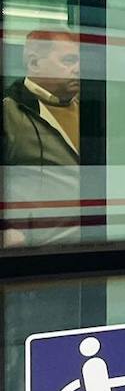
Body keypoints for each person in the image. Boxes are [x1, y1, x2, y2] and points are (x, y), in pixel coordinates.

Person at [2, 30, 83, 246]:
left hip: (93, 246)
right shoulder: (10, 113)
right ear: (35, 63)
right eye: (69, 60)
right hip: (38, 252)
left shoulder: (95, 111)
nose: (79, 69)